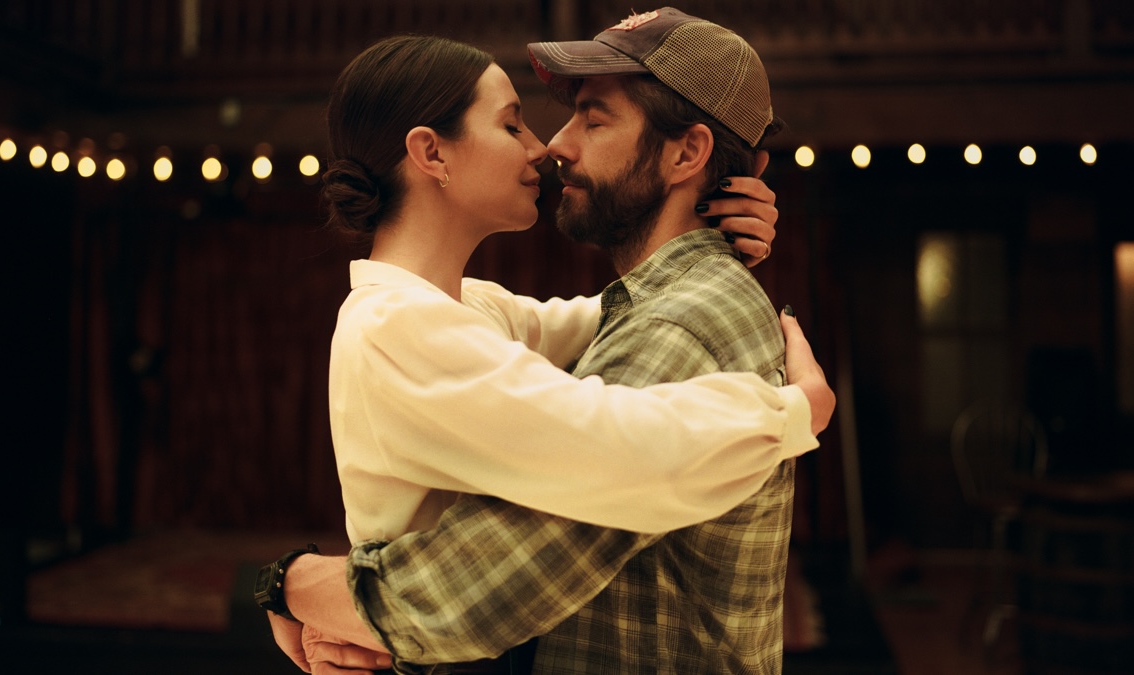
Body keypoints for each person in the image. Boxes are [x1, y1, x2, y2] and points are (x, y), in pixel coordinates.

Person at [259, 20, 835, 673]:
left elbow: (607, 321)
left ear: (686, 154)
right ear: (431, 154)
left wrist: (714, 241)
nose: (547, 148)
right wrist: (794, 412)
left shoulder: (471, 307)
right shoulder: (399, 326)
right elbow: (609, 446)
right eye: (513, 125)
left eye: (590, 120)